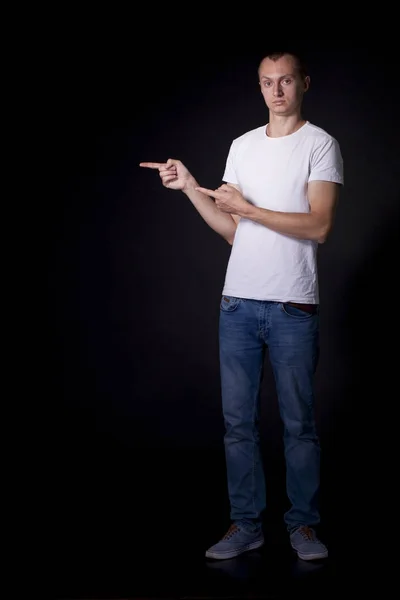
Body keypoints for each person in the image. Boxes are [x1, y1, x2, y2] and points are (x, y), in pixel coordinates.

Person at [139, 50, 344, 561]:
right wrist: (190, 188)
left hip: (293, 305)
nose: (276, 91)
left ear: (304, 85)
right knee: (238, 423)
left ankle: (303, 528)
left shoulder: (320, 145)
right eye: (266, 82)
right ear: (259, 87)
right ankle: (247, 524)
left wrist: (248, 208)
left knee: (298, 422)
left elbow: (318, 226)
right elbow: (236, 232)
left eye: (286, 81)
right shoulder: (242, 146)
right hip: (238, 306)